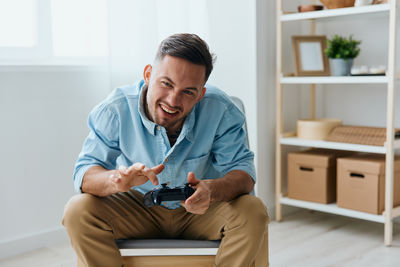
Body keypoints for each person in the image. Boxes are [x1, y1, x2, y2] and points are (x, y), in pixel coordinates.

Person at [62, 33, 269, 267]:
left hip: (202, 212)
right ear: (148, 75)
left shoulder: (221, 110)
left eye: (188, 92)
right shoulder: (115, 109)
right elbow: (84, 172)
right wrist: (116, 181)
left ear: (201, 94)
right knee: (78, 210)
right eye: (166, 84)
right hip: (137, 207)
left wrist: (211, 190)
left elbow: (243, 174)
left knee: (253, 211)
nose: (173, 100)